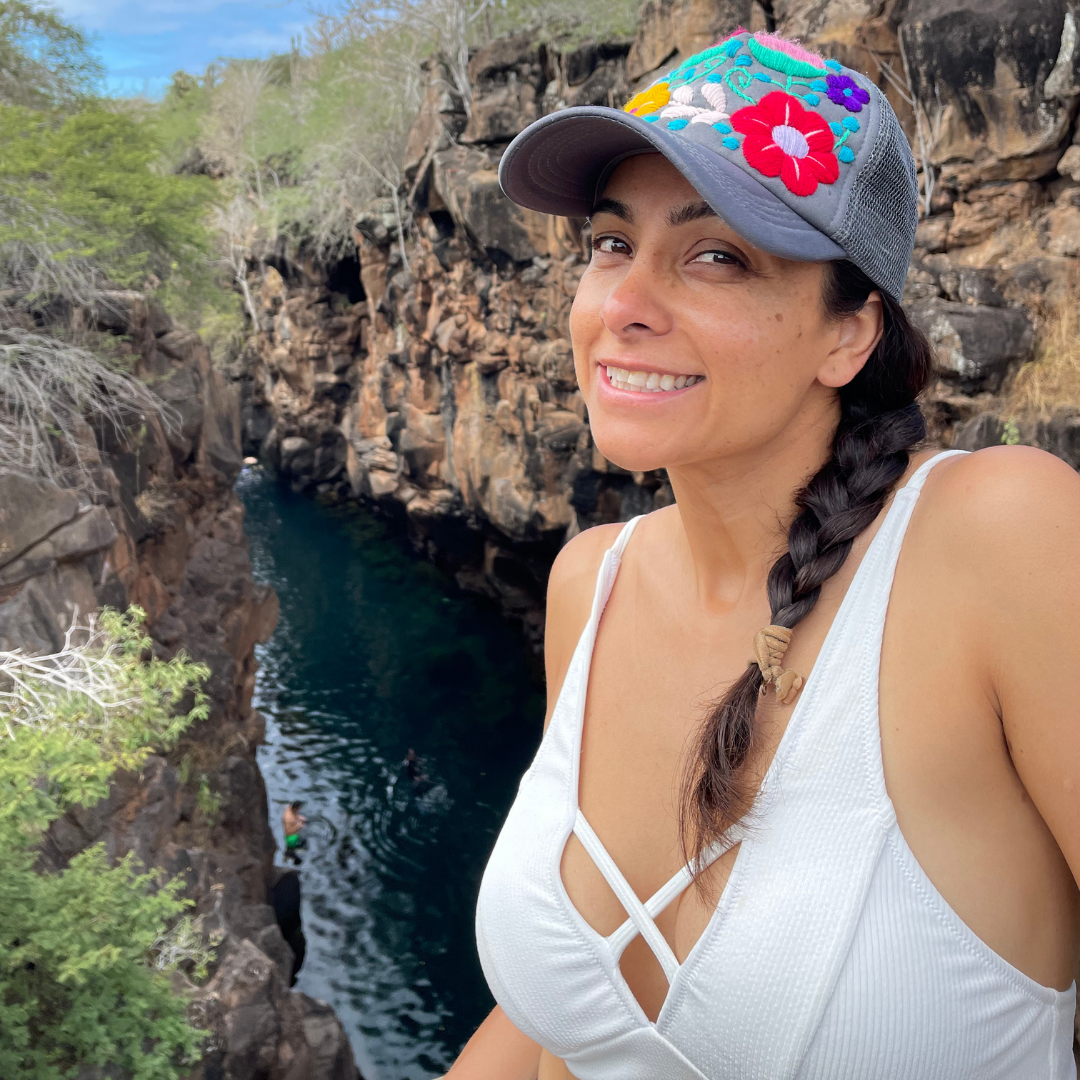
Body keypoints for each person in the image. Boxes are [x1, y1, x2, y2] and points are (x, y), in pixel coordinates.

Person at [449, 28, 1080, 1080]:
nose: (623, 306)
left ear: (850, 334)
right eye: (611, 243)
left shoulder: (999, 537)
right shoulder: (589, 583)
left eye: (717, 256)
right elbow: (568, 1030)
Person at [282, 800, 306, 864]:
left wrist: (299, 818)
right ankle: (289, 856)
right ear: (296, 808)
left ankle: (287, 855)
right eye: (299, 809)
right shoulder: (289, 819)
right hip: (291, 837)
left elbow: (293, 813)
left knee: (302, 842)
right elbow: (288, 831)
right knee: (293, 850)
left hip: (293, 835)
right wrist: (299, 826)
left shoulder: (289, 808)